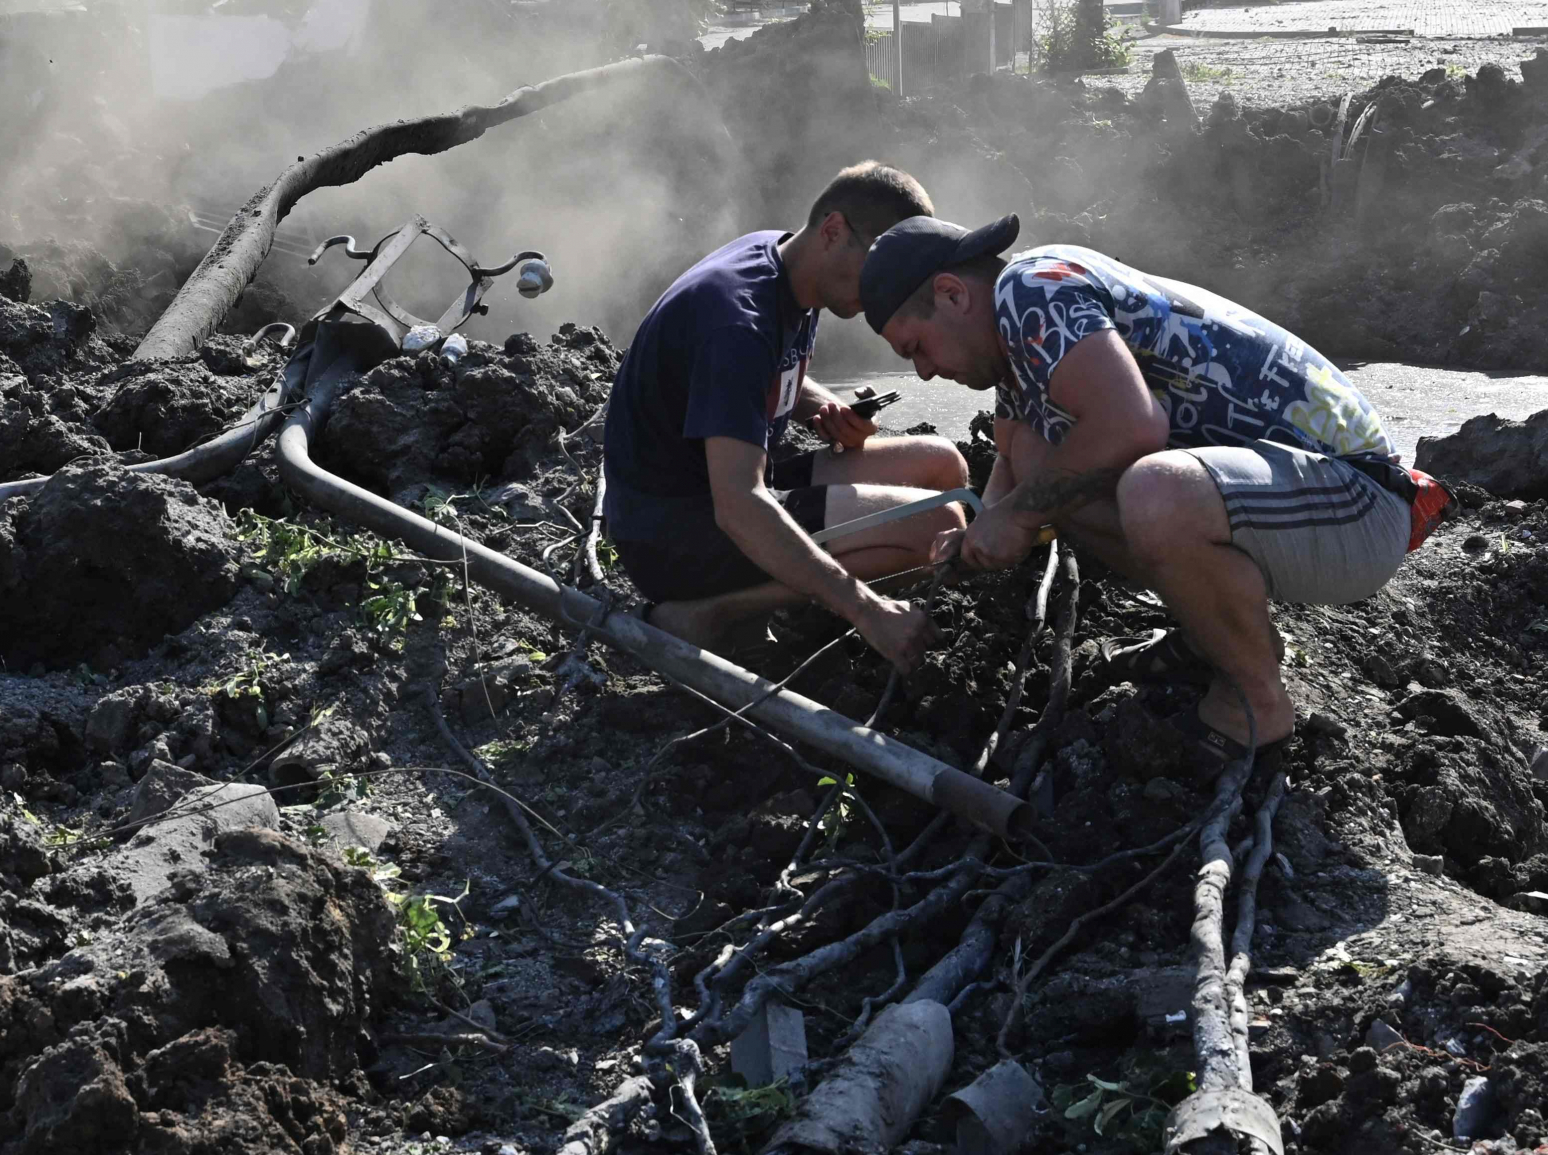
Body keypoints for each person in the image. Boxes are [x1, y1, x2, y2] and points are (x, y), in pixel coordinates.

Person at [862, 215, 1437, 760]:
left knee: (1156, 490)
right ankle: (1215, 640)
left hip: (1360, 501)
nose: (924, 373)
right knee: (1051, 467)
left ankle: (1255, 702)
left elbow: (1133, 425)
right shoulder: (1017, 353)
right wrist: (976, 539)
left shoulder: (1030, 288)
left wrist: (1014, 517)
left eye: (916, 347)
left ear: (952, 294)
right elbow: (1016, 464)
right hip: (1294, 506)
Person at [602, 163, 972, 665]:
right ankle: (710, 613)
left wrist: (828, 408)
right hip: (672, 532)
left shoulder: (786, 260)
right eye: (882, 267)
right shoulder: (736, 319)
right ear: (833, 231)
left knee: (941, 466)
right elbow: (739, 504)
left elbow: (756, 377)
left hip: (725, 480)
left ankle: (793, 587)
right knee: (935, 526)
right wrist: (867, 610)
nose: (887, 289)